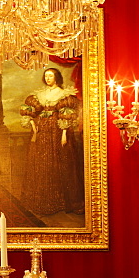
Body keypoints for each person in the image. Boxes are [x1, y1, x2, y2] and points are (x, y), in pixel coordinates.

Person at [19, 67, 84, 216]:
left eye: (51, 76)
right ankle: (43, 200)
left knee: (59, 160)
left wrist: (64, 134)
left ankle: (60, 201)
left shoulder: (63, 94)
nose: (48, 78)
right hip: (41, 131)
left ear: (57, 78)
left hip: (57, 130)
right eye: (46, 76)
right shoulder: (39, 95)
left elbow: (67, 116)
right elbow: (31, 111)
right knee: (42, 161)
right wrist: (32, 123)